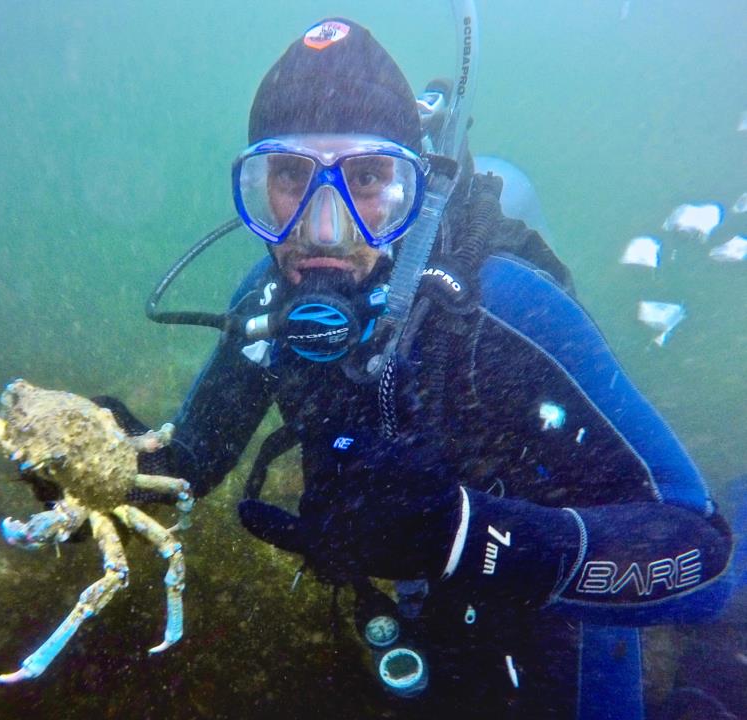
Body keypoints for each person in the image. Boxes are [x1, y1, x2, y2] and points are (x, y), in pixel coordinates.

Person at [101, 17, 734, 719]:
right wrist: (108, 465)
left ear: (416, 187)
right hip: (414, 626)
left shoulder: (505, 304)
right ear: (259, 184)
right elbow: (190, 461)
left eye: (367, 178)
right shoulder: (265, 301)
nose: (323, 229)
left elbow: (704, 558)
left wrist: (467, 536)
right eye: (289, 177)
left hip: (562, 622)